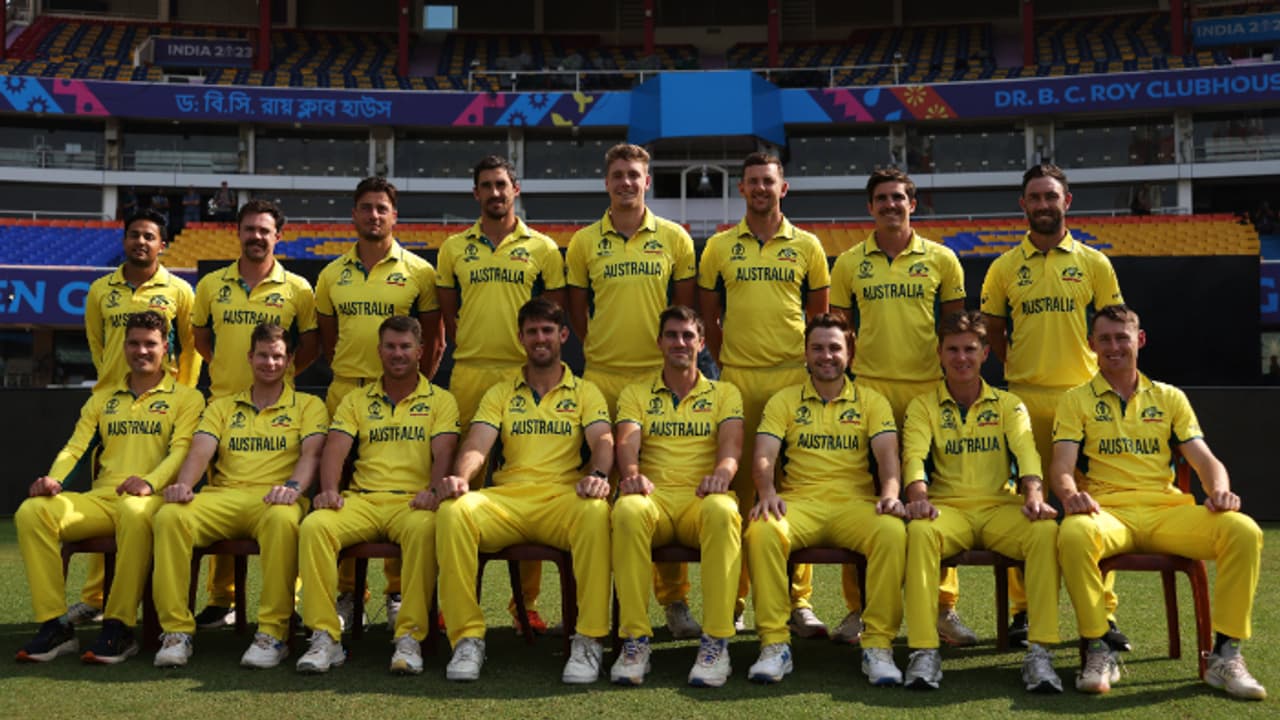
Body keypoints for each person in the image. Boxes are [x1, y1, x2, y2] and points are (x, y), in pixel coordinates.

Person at [1053, 305, 1265, 699]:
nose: (1114, 347)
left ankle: (1225, 655)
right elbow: (1062, 466)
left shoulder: (1170, 397)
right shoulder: (1075, 399)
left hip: (1168, 513)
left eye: (1122, 337)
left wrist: (1219, 490)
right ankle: (1099, 647)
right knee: (1073, 534)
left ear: (1140, 340)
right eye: (1104, 339)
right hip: (1108, 512)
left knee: (1243, 530)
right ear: (1091, 344)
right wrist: (1070, 495)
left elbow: (1205, 460)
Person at [980, 163, 1128, 649]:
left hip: (1084, 400)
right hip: (1025, 400)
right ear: (1022, 204)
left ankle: (1102, 613)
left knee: (1092, 505)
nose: (1043, 204)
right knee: (1030, 505)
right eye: (1035, 197)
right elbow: (994, 331)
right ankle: (1025, 610)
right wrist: (1019, 367)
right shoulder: (1004, 267)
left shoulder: (1094, 263)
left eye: (1051, 196)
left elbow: (1112, 326)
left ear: (1067, 201)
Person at [434, 297, 613, 684]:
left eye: (548, 330)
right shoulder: (501, 392)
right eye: (532, 332)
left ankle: (588, 638)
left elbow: (602, 439)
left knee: (597, 512)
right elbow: (478, 443)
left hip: (561, 500)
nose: (540, 338)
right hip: (508, 501)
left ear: (563, 335)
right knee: (453, 512)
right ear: (521, 338)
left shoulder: (586, 391)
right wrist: (462, 477)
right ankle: (466, 638)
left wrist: (599, 474)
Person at [566, 143, 700, 639]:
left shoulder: (674, 238)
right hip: (601, 378)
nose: (626, 182)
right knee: (596, 490)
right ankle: (595, 605)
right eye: (618, 174)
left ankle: (674, 601)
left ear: (648, 181)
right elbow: (578, 312)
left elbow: (683, 311)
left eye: (634, 175)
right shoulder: (584, 242)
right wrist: (600, 348)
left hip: (655, 379)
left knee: (657, 487)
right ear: (607, 182)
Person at [14, 311, 204, 664]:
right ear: (124, 347)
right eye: (134, 343)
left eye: (150, 344)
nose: (141, 351)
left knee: (133, 511)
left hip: (154, 499)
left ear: (165, 347)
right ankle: (55, 625)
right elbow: (75, 448)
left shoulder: (186, 398)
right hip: (101, 499)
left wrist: (149, 483)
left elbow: (182, 450)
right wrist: (54, 479)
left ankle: (119, 626)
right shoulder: (102, 398)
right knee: (33, 512)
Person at [829, 168, 968, 646]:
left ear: (913, 203)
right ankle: (859, 610)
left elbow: (955, 332)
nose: (891, 205)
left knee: (937, 499)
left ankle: (943, 609)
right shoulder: (849, 263)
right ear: (870, 207)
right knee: (869, 500)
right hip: (870, 393)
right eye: (882, 198)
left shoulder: (943, 259)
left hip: (928, 393)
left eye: (899, 198)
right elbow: (841, 333)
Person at [697, 151, 830, 635]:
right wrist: (730, 359)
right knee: (737, 489)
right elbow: (709, 317)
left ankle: (797, 601)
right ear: (741, 189)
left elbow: (818, 317)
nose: (760, 188)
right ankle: (734, 599)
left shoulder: (808, 246)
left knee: (791, 488)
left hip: (793, 380)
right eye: (752, 181)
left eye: (767, 181)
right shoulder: (719, 247)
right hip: (737, 379)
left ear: (782, 188)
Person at [436, 155, 567, 634]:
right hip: (470, 375)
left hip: (524, 377)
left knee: (524, 486)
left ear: (516, 189)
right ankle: (455, 603)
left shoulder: (543, 248)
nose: (495, 192)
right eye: (486, 185)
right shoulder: (453, 249)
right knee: (461, 489)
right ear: (475, 193)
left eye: (501, 184)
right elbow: (450, 318)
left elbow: (551, 317)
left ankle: (523, 604)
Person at [899, 310, 1061, 692]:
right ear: (940, 353)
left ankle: (1040, 652)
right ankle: (924, 650)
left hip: (999, 507)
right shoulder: (923, 406)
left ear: (985, 353)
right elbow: (914, 459)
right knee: (919, 532)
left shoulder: (1009, 404)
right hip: (948, 508)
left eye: (970, 349)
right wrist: (918, 499)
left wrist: (1034, 496)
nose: (962, 358)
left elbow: (1027, 453)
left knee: (1044, 532)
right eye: (953, 349)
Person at [151, 322, 327, 668]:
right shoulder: (222, 406)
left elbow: (312, 455)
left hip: (276, 499)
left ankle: (273, 634)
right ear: (249, 357)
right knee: (170, 515)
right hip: (223, 497)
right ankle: (176, 632)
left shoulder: (309, 405)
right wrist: (184, 485)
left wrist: (293, 488)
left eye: (277, 356)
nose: (269, 363)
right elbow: (200, 451)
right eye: (262, 355)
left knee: (283, 520)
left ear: (290, 360)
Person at [742, 313, 905, 685]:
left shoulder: (872, 401)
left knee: (893, 532)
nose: (826, 356)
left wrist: (891, 496)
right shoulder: (784, 400)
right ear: (805, 353)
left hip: (855, 506)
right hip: (800, 503)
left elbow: (888, 457)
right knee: (762, 529)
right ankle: (774, 644)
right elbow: (764, 454)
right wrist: (766, 492)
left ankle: (878, 645)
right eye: (817, 348)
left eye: (834, 348)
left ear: (850, 354)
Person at [295, 315, 459, 675]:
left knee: (424, 529)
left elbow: (445, 452)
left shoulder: (441, 400)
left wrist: (433, 491)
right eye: (390, 347)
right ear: (379, 351)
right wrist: (329, 491)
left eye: (405, 347)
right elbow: (335, 449)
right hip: (363, 499)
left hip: (413, 501)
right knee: (315, 526)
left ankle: (410, 638)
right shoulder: (356, 399)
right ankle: (324, 637)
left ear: (420, 351)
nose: (398, 354)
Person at [314, 177, 444, 629]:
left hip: (402, 395)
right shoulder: (331, 275)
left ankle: (397, 591)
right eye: (366, 207)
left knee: (402, 488)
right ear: (354, 214)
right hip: (346, 392)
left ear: (394, 216)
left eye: (381, 208)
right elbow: (329, 341)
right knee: (339, 493)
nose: (374, 215)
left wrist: (412, 390)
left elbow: (434, 340)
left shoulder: (419, 272)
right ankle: (347, 593)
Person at [188, 200, 319, 628]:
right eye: (250, 229)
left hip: (280, 407)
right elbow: (201, 339)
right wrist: (230, 372)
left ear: (278, 236)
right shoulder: (211, 285)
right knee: (221, 494)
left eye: (265, 230)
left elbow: (310, 346)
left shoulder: (298, 288)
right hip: (224, 406)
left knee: (284, 505)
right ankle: (221, 599)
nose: (256, 237)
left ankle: (287, 602)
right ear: (238, 232)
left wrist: (281, 375)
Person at [77, 209, 201, 625]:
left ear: (162, 244)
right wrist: (111, 384)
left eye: (149, 236)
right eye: (134, 235)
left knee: (155, 502)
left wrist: (180, 394)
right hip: (113, 407)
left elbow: (190, 348)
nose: (141, 242)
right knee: (107, 494)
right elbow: (97, 343)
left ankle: (156, 600)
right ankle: (96, 596)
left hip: (166, 407)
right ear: (124, 240)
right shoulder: (100, 290)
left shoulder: (180, 290)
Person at [610, 305, 743, 687]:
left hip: (700, 498)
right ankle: (635, 641)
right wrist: (632, 475)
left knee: (723, 511)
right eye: (671, 335)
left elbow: (732, 446)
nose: (679, 343)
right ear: (659, 342)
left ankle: (716, 641)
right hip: (654, 498)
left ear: (701, 343)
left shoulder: (725, 392)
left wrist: (721, 476)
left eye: (688, 336)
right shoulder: (636, 392)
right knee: (627, 511)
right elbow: (627, 442)